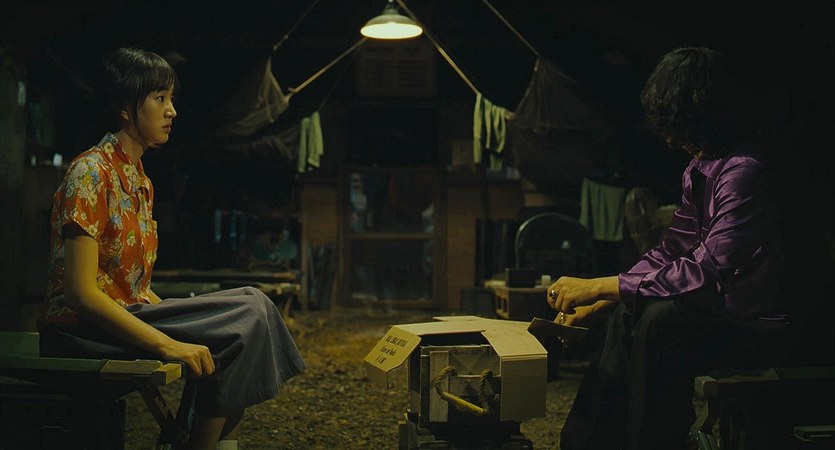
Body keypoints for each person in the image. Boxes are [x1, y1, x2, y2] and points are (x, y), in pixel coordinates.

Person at [36, 47, 307, 450]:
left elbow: (137, 289)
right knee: (247, 314)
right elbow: (79, 294)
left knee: (256, 304)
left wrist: (195, 325)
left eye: (172, 99)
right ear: (125, 108)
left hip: (124, 317)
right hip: (80, 330)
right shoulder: (90, 171)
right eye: (160, 98)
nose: (172, 111)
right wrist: (168, 343)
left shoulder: (140, 181)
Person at [545, 46, 791, 450]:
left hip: (756, 322)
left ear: (705, 115)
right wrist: (603, 299)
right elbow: (671, 250)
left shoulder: (744, 172)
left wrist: (600, 286)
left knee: (662, 321)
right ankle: (585, 443)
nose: (671, 138)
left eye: (679, 124)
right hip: (719, 313)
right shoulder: (699, 169)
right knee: (628, 312)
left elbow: (707, 270)